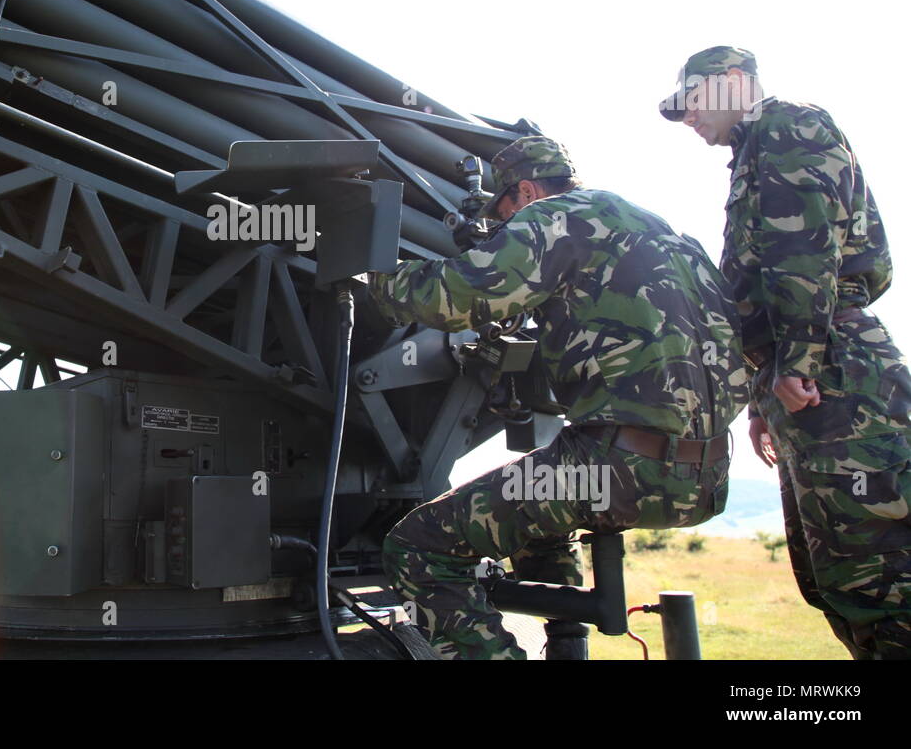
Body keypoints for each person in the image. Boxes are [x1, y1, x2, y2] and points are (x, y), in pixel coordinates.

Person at [369, 136, 749, 659]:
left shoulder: (552, 217)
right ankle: (569, 647)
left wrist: (376, 279)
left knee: (417, 547)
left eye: (505, 217)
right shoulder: (666, 234)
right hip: (707, 477)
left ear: (525, 190)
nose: (505, 230)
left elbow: (457, 296)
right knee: (536, 505)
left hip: (617, 466)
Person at [660, 45, 911, 659]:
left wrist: (795, 366)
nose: (688, 119)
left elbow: (802, 256)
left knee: (878, 577)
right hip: (813, 374)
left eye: (692, 101)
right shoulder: (755, 150)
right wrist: (759, 393)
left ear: (732, 82)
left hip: (838, 377)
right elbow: (766, 284)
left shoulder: (786, 126)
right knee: (832, 577)